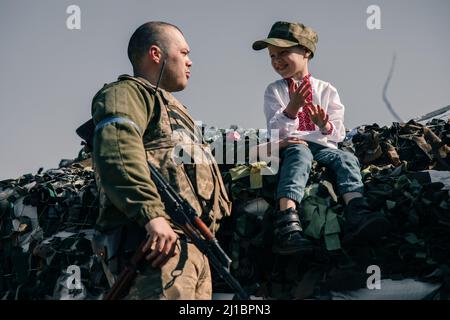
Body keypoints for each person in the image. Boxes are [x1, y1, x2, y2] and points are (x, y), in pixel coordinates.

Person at [91, 21, 232, 299]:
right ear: (156, 54)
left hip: (191, 249)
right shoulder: (127, 94)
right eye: (183, 52)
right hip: (154, 245)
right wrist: (151, 215)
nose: (190, 62)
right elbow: (118, 150)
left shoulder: (176, 110)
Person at [252, 21, 390, 255]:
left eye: (284, 52)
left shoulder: (327, 89)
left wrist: (324, 124)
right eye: (272, 56)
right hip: (293, 145)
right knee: (300, 154)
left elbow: (338, 132)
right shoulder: (273, 90)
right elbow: (277, 131)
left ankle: (357, 210)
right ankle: (287, 220)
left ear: (306, 51)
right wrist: (292, 109)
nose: (277, 60)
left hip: (323, 146)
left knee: (346, 159)